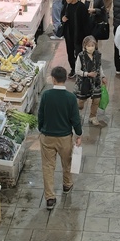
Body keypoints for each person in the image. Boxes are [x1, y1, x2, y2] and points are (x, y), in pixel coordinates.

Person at [37, 66, 83, 210]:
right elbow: (75, 119)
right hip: (64, 137)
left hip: (47, 137)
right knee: (66, 162)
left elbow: (41, 115)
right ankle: (67, 184)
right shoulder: (70, 98)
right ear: (65, 79)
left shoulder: (46, 95)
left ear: (53, 79)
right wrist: (79, 134)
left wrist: (41, 128)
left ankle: (50, 198)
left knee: (48, 166)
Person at [73, 36, 105, 127]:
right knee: (81, 102)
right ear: (85, 46)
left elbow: (99, 66)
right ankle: (75, 113)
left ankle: (92, 116)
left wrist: (103, 76)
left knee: (96, 100)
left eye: (92, 45)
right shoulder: (81, 56)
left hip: (96, 82)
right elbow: (77, 70)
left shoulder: (98, 55)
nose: (90, 47)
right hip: (84, 82)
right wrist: (87, 74)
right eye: (88, 45)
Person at [62, 0, 90, 71]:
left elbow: (86, 23)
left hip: (79, 35)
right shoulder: (66, 5)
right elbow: (62, 15)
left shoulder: (81, 7)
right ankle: (73, 68)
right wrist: (63, 19)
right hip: (68, 34)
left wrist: (86, 37)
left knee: (79, 54)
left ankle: (79, 69)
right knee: (70, 53)